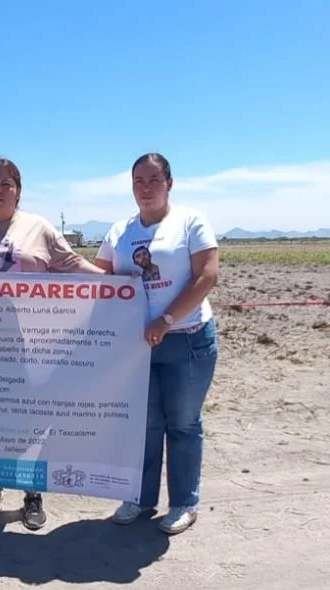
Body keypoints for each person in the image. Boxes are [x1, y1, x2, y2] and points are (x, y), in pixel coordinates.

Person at [0, 155, 105, 531]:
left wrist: (119, 285)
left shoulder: (38, 227)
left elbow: (72, 264)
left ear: (18, 191)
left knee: (31, 421)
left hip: (36, 348)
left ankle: (32, 494)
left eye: (6, 183)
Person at [92, 152, 220, 535]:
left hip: (187, 341)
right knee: (143, 425)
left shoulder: (191, 223)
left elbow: (207, 275)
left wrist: (166, 320)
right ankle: (140, 497)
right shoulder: (119, 232)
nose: (145, 189)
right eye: (138, 182)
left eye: (153, 180)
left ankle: (183, 503)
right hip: (137, 348)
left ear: (169, 183)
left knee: (182, 424)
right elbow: (95, 278)